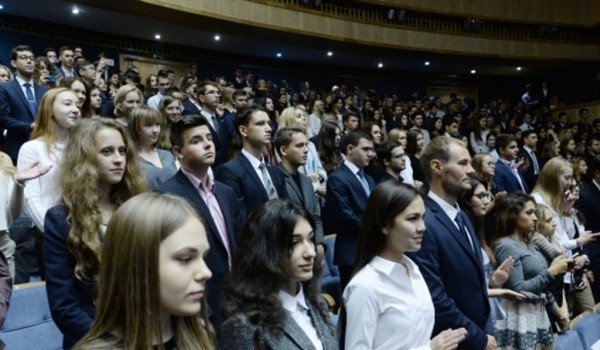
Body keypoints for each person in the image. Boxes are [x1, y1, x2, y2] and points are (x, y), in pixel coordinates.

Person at [44, 118, 147, 349]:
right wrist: (111, 343)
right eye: (107, 152)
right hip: (93, 340)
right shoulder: (61, 219)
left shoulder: (138, 207)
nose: (119, 159)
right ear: (85, 158)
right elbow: (64, 306)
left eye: (122, 151)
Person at [73, 193, 215, 349]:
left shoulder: (201, 337)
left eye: (204, 257)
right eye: (186, 259)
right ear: (136, 263)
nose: (206, 272)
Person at [344, 180, 467, 349]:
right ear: (385, 225)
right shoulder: (365, 286)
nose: (422, 227)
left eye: (423, 218)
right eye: (412, 219)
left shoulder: (413, 269)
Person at [407, 136, 496, 350]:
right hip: (454, 340)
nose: (472, 171)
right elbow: (435, 298)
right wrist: (478, 338)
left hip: (480, 328)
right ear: (437, 167)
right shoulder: (424, 222)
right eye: (463, 163)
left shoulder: (462, 215)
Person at [159, 115, 242, 327]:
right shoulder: (167, 195)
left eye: (209, 138)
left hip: (237, 298)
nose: (207, 144)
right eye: (196, 141)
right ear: (178, 152)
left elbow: (237, 246)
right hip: (201, 306)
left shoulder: (226, 192)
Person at [219, 200, 338, 350]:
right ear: (267, 250)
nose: (311, 252)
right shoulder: (244, 326)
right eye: (295, 243)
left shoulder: (315, 302)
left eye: (310, 239)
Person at [492, 192, 570, 349]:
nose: (535, 217)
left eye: (534, 212)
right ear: (513, 216)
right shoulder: (506, 246)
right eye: (529, 213)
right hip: (519, 320)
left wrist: (559, 313)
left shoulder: (529, 243)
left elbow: (542, 288)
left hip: (538, 315)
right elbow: (518, 291)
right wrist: (551, 272)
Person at [17, 88, 81, 277]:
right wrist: (55, 232)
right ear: (49, 110)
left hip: (84, 231)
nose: (76, 109)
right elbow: (30, 199)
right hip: (51, 235)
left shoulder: (83, 146)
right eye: (68, 104)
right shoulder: (32, 148)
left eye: (77, 104)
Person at [531, 157, 598, 316]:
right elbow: (549, 241)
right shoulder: (537, 201)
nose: (570, 183)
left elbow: (567, 234)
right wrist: (577, 242)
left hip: (572, 268)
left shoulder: (559, 197)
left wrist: (567, 210)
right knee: (566, 319)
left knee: (590, 313)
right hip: (554, 272)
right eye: (567, 178)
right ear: (553, 176)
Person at [325, 129, 375, 290]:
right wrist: (378, 229)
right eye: (365, 149)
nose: (370, 154)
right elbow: (346, 217)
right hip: (352, 253)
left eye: (372, 150)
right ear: (350, 149)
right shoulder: (337, 178)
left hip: (372, 250)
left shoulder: (369, 179)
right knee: (354, 306)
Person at [217, 106, 287, 217]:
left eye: (268, 123)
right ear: (244, 130)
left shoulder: (275, 171)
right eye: (260, 124)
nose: (269, 128)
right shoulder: (230, 171)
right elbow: (238, 219)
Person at [0, 151, 51, 278]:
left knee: (5, 297)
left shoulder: (2, 159)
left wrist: (19, 184)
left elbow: (12, 214)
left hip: (2, 246)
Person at [275, 127, 325, 254]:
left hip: (311, 248)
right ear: (283, 150)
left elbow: (315, 216)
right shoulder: (275, 178)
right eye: (299, 146)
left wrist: (319, 243)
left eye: (306, 145)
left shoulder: (306, 181)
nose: (306, 150)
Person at [0, 45, 48, 163]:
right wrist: (29, 126)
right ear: (14, 63)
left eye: (31, 58)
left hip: (43, 149)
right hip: (17, 150)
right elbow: (4, 118)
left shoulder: (44, 91)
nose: (29, 61)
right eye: (23, 57)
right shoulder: (5, 88)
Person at [128, 106, 178, 190]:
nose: (155, 130)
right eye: (148, 125)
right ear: (136, 128)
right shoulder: (130, 159)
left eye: (157, 124)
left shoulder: (167, 155)